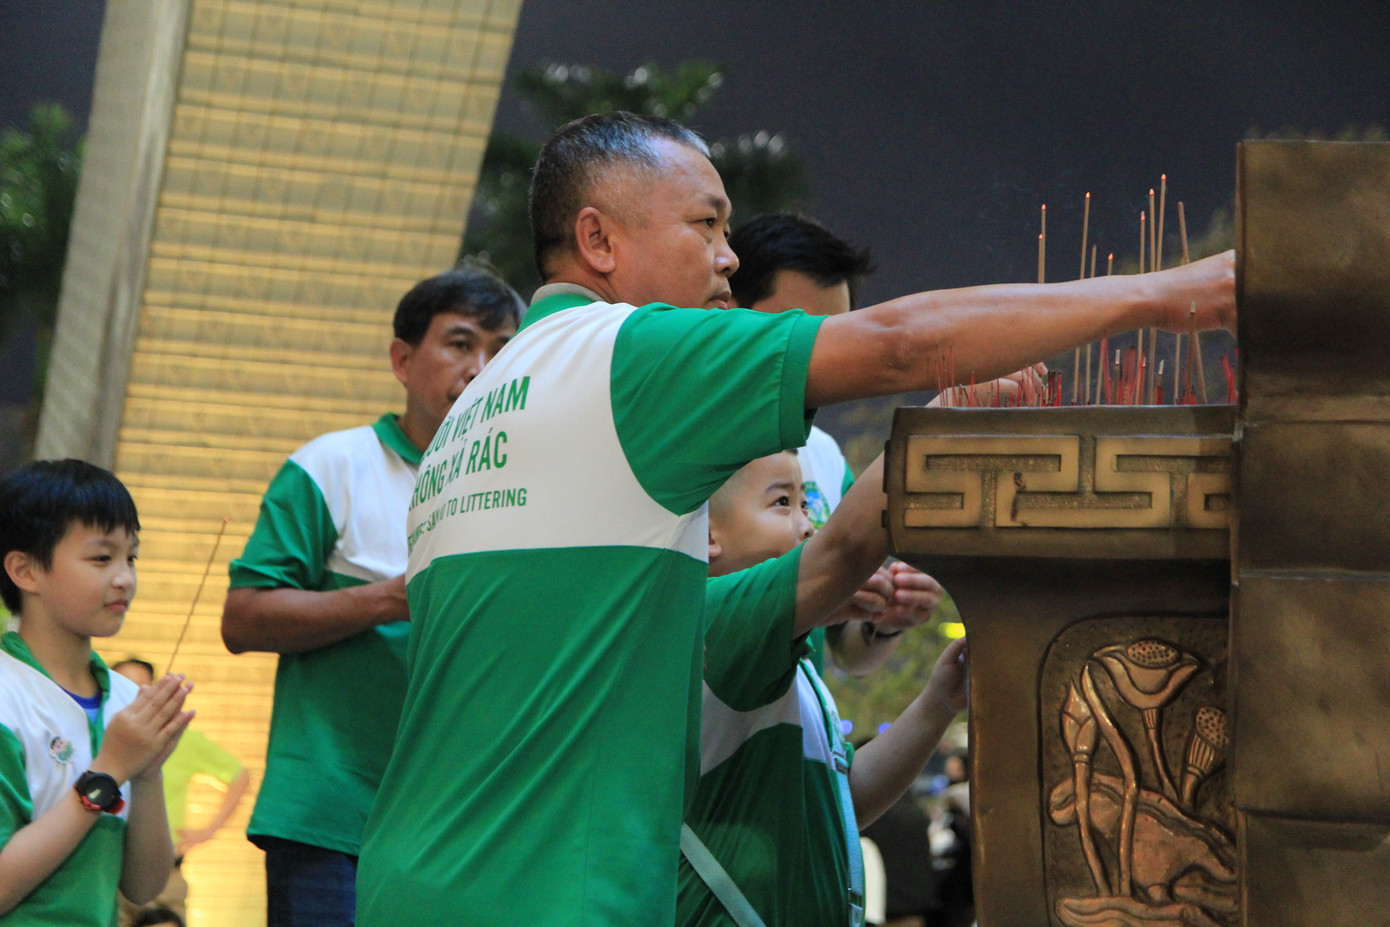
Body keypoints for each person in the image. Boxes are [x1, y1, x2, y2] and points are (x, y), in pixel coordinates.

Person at [355, 111, 1234, 926]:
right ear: (598, 239)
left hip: (411, 877)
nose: (728, 257)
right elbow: (899, 343)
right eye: (705, 226)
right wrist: (1162, 295)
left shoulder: (471, 418)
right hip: (548, 892)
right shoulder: (624, 355)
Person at [220, 264, 523, 925]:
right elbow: (242, 617)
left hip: (468, 825)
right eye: (461, 343)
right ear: (403, 359)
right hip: (331, 820)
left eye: (502, 350)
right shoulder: (333, 465)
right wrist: (390, 599)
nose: (480, 368)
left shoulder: (525, 489)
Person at [680, 449, 968, 927]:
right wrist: (941, 426)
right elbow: (845, 549)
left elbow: (841, 802)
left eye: (808, 504)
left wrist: (939, 702)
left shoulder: (796, 670)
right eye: (782, 503)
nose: (809, 525)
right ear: (708, 532)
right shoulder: (707, 625)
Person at [729, 212, 929, 677]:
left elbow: (846, 651)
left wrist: (885, 620)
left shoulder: (823, 453)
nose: (821, 355)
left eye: (838, 336)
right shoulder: (687, 449)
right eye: (799, 333)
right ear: (726, 312)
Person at [0, 459, 193, 925]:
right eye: (101, 558)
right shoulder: (7, 697)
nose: (125, 577)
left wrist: (147, 776)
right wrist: (107, 773)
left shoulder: (128, 701)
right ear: (25, 571)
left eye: (132, 558)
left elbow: (143, 887)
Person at [112, 657, 249, 926]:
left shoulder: (179, 738)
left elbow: (239, 775)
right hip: (109, 874)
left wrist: (209, 829)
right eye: (121, 687)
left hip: (164, 876)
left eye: (139, 688)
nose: (131, 696)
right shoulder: (98, 737)